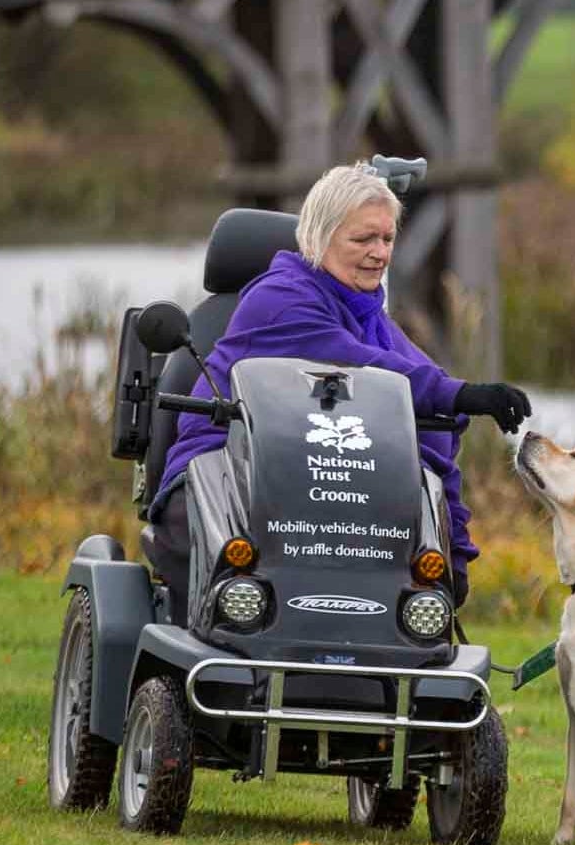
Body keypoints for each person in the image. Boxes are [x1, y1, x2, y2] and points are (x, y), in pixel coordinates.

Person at [148, 162, 532, 607]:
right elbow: (362, 367)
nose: (379, 252)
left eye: (387, 239)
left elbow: (430, 404)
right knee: (238, 595)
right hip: (223, 471)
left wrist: (452, 549)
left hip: (319, 484)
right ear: (320, 237)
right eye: (363, 239)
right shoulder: (280, 298)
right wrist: (463, 394)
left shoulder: (370, 312)